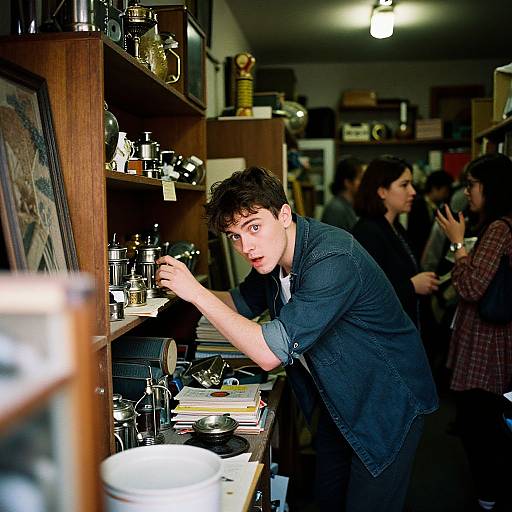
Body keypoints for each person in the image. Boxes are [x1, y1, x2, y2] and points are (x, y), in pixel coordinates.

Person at [156, 166, 438, 511]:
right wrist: (179, 290)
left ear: (284, 214)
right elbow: (238, 303)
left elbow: (268, 354)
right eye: (234, 236)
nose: (246, 246)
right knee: (328, 499)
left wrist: (196, 293)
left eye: (254, 227)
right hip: (339, 400)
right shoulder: (271, 258)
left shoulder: (333, 257)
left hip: (387, 401)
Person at [435, 153, 512, 512]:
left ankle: (487, 498)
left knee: (480, 427)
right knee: (486, 423)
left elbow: (470, 287)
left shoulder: (499, 228)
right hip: (496, 341)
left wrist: (457, 243)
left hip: (487, 343)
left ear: (491, 187)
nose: (467, 193)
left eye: (472, 185)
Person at [352, 155, 440, 327]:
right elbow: (365, 295)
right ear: (382, 191)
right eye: (404, 185)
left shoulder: (395, 226)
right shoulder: (367, 232)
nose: (413, 192)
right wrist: (412, 286)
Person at [407, 170, 453, 261]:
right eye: (445, 190)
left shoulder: (438, 207)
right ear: (435, 188)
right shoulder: (417, 206)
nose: (447, 194)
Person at [321, 156, 365, 232]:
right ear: (347, 182)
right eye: (360, 179)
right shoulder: (336, 209)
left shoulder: (349, 205)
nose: (363, 183)